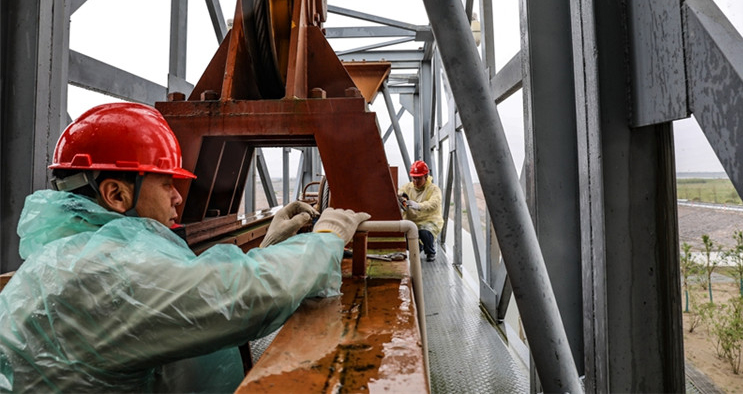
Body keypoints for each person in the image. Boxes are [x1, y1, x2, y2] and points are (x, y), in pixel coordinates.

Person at [0, 103, 370, 393]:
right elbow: (242, 297)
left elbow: (187, 288)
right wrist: (326, 240)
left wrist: (270, 244)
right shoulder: (103, 271)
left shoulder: (70, 256)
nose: (178, 198)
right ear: (116, 194)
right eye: (165, 185)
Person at [399, 160, 444, 262]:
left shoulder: (434, 189)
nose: (416, 181)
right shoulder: (407, 187)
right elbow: (399, 193)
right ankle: (418, 247)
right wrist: (401, 198)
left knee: (424, 232)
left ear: (426, 176)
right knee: (403, 236)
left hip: (429, 220)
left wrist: (418, 205)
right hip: (411, 220)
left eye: (419, 178)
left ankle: (430, 252)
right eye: (414, 178)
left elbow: (433, 204)